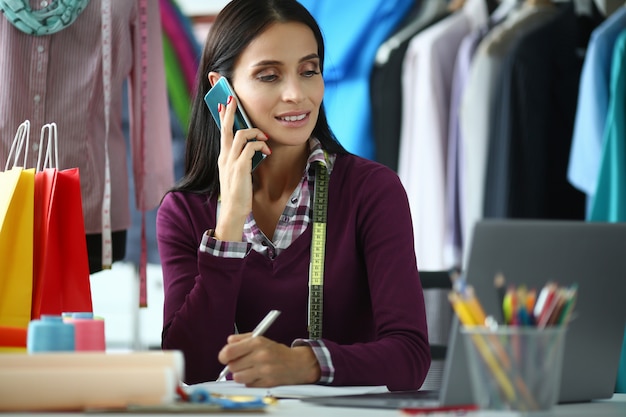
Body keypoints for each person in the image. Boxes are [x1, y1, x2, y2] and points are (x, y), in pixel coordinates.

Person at [156, 0, 430, 391]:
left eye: (309, 71)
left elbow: (411, 357)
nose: (296, 94)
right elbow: (187, 369)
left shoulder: (373, 192)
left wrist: (303, 364)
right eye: (269, 76)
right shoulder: (183, 212)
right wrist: (229, 224)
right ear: (222, 92)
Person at [0, 0, 173, 273]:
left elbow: (148, 88)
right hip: (6, 200)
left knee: (69, 317)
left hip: (89, 210)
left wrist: (154, 187)